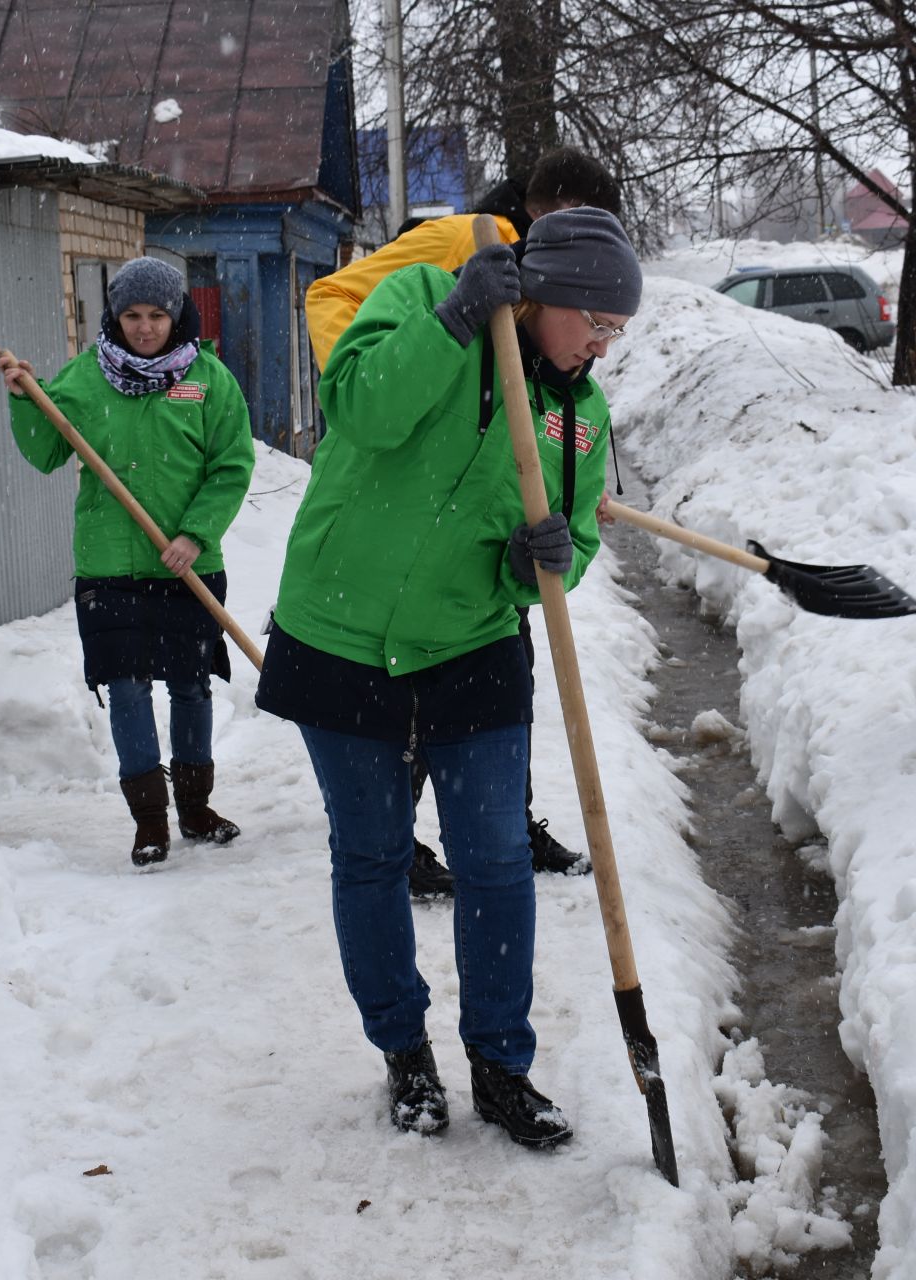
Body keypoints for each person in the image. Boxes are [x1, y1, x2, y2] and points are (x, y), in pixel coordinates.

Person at [256, 208, 642, 1148]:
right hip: (341, 634)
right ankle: (403, 1052)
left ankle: (502, 1066)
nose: (600, 345)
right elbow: (364, 411)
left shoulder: (579, 417)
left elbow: (577, 536)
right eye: (593, 321)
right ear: (545, 294)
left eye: (615, 333)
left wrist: (541, 558)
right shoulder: (422, 295)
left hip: (473, 646)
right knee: (374, 858)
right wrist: (457, 322)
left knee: (496, 862)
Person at [303, 145, 624, 900]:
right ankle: (402, 839)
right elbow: (333, 298)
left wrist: (559, 474)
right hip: (406, 491)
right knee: (421, 678)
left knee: (504, 669)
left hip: (489, 512)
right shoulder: (468, 243)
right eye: (572, 224)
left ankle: (505, 822)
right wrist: (388, 422)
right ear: (540, 208)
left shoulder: (560, 284)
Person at [0, 257, 256, 868]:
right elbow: (45, 453)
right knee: (129, 690)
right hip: (109, 567)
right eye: (132, 315)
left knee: (191, 688)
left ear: (177, 315)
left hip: (185, 563)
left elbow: (231, 465)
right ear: (115, 315)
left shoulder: (208, 380)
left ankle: (194, 807)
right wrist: (26, 401)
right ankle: (149, 822)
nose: (144, 328)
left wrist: (195, 533)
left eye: (157, 316)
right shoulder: (86, 378)